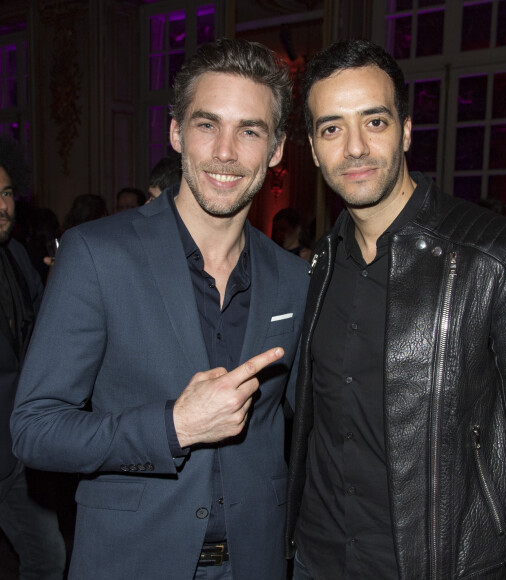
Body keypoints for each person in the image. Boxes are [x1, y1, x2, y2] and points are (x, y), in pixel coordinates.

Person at [11, 38, 309, 580]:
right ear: (176, 133)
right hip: (132, 560)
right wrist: (173, 426)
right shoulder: (97, 254)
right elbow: (35, 429)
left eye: (249, 130)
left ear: (277, 148)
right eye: (206, 124)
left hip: (255, 561)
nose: (225, 151)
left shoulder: (293, 279)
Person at [285, 39, 506, 579]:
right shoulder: (322, 263)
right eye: (332, 128)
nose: (353, 147)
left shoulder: (499, 256)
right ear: (312, 145)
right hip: (315, 561)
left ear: (406, 130)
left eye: (373, 122)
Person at [0, 135, 66, 579]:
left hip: (15, 452)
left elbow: (36, 332)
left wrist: (64, 287)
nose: (3, 205)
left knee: (47, 557)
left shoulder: (16, 257)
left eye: (5, 193)